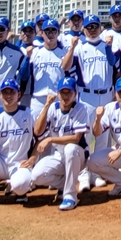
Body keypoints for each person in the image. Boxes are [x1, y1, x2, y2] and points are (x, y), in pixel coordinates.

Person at [62, 14, 116, 192]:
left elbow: (113, 63)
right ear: (84, 29)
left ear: (100, 27)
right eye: (89, 27)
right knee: (85, 137)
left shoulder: (107, 45)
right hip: (87, 96)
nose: (92, 30)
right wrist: (71, 48)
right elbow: (65, 67)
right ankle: (84, 174)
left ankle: (98, 172)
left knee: (102, 137)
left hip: (106, 95)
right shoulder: (80, 47)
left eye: (95, 26)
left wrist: (108, 47)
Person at [30, 78, 90, 211]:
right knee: (37, 176)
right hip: (59, 155)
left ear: (75, 93)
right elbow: (37, 131)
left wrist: (51, 140)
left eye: (69, 93)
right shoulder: (52, 108)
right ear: (58, 93)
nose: (66, 96)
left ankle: (70, 196)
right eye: (63, 92)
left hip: (78, 156)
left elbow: (76, 138)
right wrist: (46, 106)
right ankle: (66, 184)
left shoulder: (81, 108)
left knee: (70, 149)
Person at [27, 20, 70, 119]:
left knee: (57, 132)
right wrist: (26, 58)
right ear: (42, 33)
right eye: (47, 31)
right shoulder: (34, 52)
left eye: (53, 31)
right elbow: (25, 76)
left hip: (57, 98)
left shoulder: (64, 52)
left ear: (58, 33)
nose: (50, 34)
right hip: (38, 99)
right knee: (36, 132)